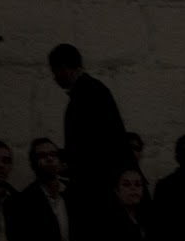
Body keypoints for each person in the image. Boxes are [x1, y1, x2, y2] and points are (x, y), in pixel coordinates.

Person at [49, 43, 132, 200]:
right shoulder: (93, 89)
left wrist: (69, 163)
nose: (54, 78)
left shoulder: (85, 94)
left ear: (64, 68)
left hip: (97, 184)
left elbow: (90, 144)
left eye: (55, 72)